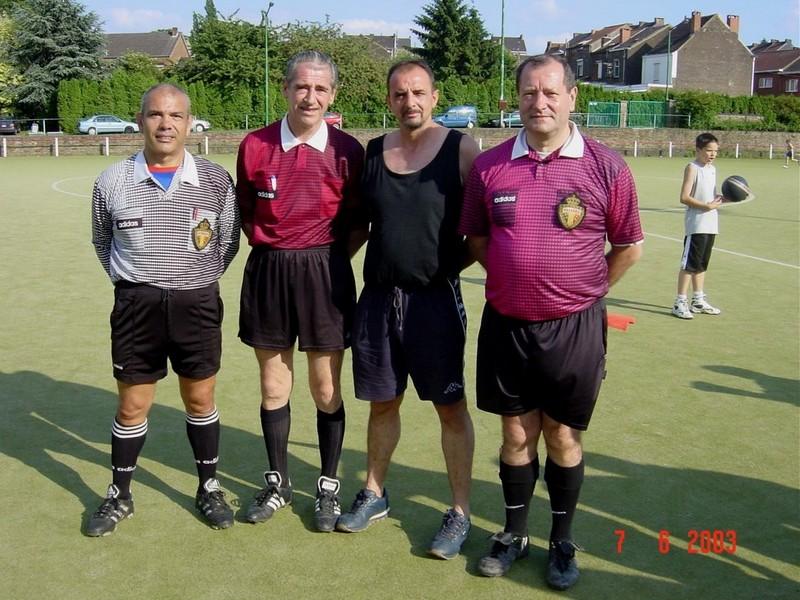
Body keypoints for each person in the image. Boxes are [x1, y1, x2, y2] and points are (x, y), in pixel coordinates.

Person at [459, 55, 643, 589]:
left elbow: (628, 247)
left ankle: (562, 541)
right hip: (508, 324)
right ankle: (514, 533)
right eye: (528, 93)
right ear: (515, 99)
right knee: (516, 433)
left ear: (571, 97)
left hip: (574, 327)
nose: (539, 103)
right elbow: (477, 238)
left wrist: (583, 291)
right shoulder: (490, 166)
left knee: (562, 435)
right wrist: (518, 279)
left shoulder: (607, 166)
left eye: (550, 92)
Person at [335, 60, 480, 560]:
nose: (409, 101)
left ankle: (460, 511)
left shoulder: (462, 149)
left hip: (435, 303)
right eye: (400, 94)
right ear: (389, 99)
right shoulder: (374, 151)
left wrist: (441, 269)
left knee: (450, 408)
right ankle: (374, 492)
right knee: (382, 403)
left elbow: (480, 232)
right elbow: (360, 225)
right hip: (377, 300)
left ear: (435, 96)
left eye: (418, 92)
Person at [87, 83, 241, 536]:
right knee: (133, 405)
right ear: (140, 121)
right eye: (156, 114)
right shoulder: (112, 181)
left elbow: (228, 242)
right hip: (137, 306)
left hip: (197, 302)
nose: (166, 124)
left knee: (200, 399)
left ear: (189, 123)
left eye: (175, 116)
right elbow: (102, 240)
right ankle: (120, 494)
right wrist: (136, 283)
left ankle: (209, 486)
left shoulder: (215, 180)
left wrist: (193, 279)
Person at [236, 51, 365, 532]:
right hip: (269, 270)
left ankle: (328, 487)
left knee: (325, 388)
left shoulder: (349, 151)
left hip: (325, 273)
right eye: (302, 87)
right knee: (274, 386)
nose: (310, 97)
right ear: (286, 88)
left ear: (333, 94)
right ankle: (278, 483)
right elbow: (246, 211)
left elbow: (359, 222)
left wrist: (325, 259)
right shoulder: (254, 145)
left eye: (320, 88)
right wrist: (280, 249)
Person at [671, 132, 723, 320]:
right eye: (709, 150)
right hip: (697, 224)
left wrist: (721, 199)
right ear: (698, 150)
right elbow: (684, 197)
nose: (712, 154)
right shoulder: (692, 168)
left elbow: (710, 195)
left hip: (711, 223)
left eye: (715, 151)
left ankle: (698, 300)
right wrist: (706, 206)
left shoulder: (712, 169)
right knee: (689, 265)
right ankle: (679, 302)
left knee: (701, 264)